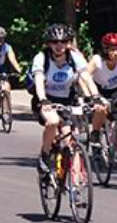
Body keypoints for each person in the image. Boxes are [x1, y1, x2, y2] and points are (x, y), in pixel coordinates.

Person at [32, 24, 97, 173]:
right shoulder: (41, 58)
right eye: (55, 42)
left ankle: (75, 185)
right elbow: (39, 80)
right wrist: (43, 99)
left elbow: (86, 76)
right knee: (53, 121)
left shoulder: (75, 57)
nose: (59, 46)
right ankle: (45, 155)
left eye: (64, 42)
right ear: (48, 44)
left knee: (70, 142)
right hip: (46, 99)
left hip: (67, 100)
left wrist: (95, 96)